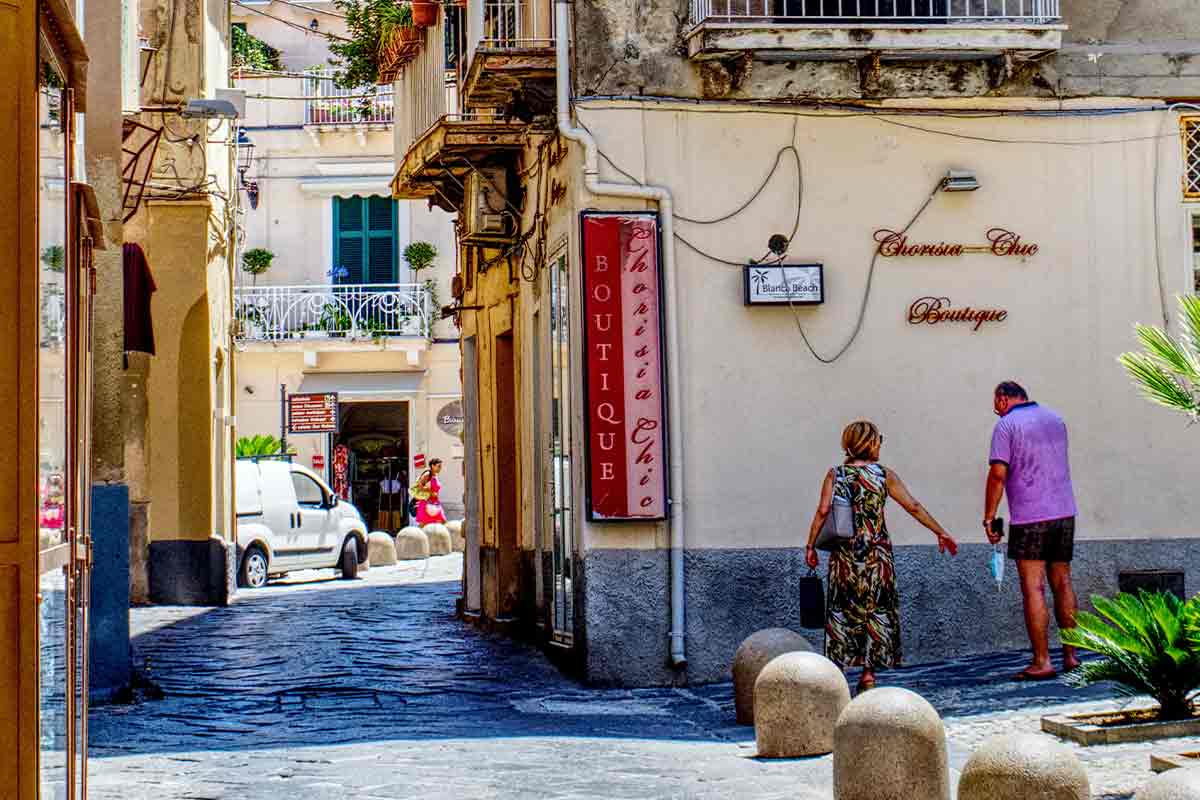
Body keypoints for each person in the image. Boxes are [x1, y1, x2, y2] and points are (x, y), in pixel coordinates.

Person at [806, 421, 958, 694]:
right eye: (879, 440)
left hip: (845, 557)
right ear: (870, 443)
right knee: (874, 610)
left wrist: (810, 546)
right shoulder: (884, 475)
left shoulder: (835, 474)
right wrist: (941, 532)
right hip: (878, 556)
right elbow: (913, 506)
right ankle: (868, 674)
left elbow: (822, 510)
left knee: (842, 610)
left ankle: (838, 675)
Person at [983, 381, 1080, 681]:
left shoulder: (1006, 426)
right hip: (1064, 511)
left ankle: (1042, 661)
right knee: (1063, 582)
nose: (994, 408)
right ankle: (1072, 655)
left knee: (1033, 587)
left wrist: (989, 517)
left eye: (994, 402)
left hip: (1030, 516)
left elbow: (998, 474)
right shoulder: (1056, 419)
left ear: (1003, 398)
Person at [413, 458, 447, 526]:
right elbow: (419, 486)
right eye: (438, 466)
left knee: (442, 521)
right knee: (423, 524)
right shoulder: (427, 474)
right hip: (426, 503)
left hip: (435, 502)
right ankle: (416, 535)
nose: (440, 468)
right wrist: (431, 492)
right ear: (432, 466)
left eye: (440, 466)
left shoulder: (435, 475)